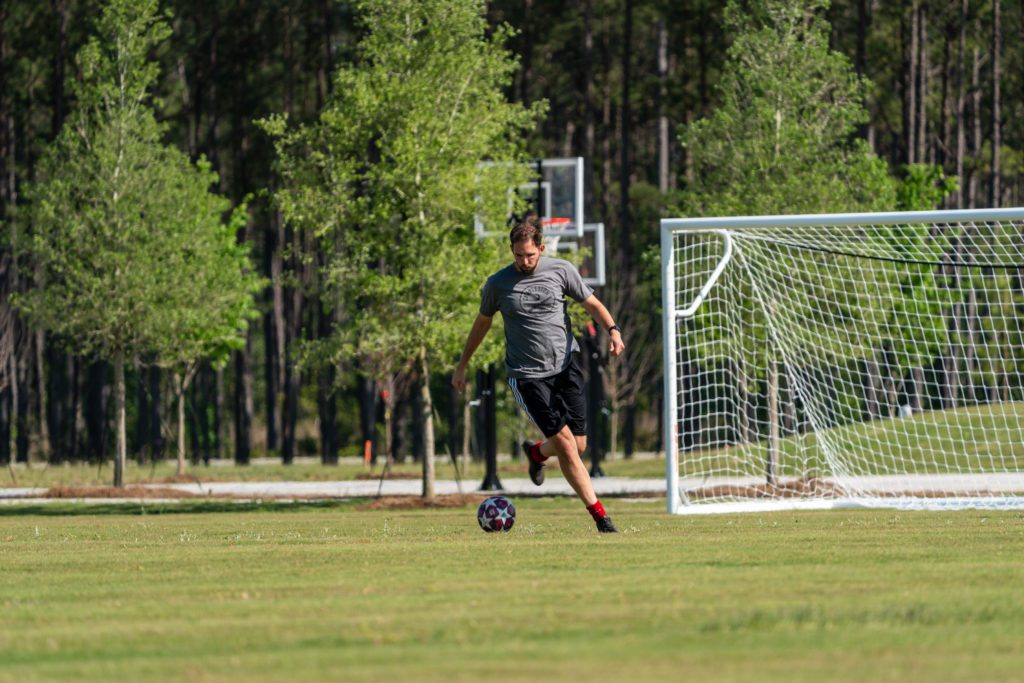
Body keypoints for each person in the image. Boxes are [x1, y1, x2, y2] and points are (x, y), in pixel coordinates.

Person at [452, 215, 625, 533]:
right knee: (567, 446)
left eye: (530, 255)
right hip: (527, 375)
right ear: (512, 251)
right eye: (518, 255)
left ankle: (536, 452)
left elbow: (592, 303)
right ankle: (601, 518)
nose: (524, 261)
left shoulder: (561, 270)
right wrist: (462, 364)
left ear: (541, 248)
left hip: (565, 366)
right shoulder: (498, 284)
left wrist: (613, 330)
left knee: (579, 444)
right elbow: (482, 324)